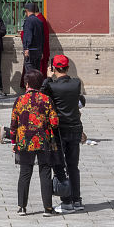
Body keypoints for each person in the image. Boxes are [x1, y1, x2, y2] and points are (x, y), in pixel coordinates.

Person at [9, 69, 59, 216]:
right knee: (45, 172)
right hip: (43, 140)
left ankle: (22, 207)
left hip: (24, 140)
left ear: (27, 84)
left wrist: (13, 142)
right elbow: (54, 122)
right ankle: (48, 208)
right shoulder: (46, 99)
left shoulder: (19, 100)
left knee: (25, 173)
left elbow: (13, 124)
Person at [42, 53, 85, 212]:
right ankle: (77, 200)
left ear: (54, 68)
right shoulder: (76, 83)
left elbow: (41, 94)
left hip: (59, 129)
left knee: (61, 164)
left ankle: (66, 202)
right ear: (67, 67)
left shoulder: (52, 86)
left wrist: (47, 78)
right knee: (73, 166)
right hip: (75, 127)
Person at [21, 1, 45, 90]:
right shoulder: (39, 21)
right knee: (36, 72)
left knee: (30, 73)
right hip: (38, 51)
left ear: (27, 11)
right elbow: (42, 38)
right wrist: (41, 50)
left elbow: (28, 35)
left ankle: (30, 91)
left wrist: (26, 48)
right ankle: (37, 89)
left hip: (30, 50)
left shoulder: (28, 21)